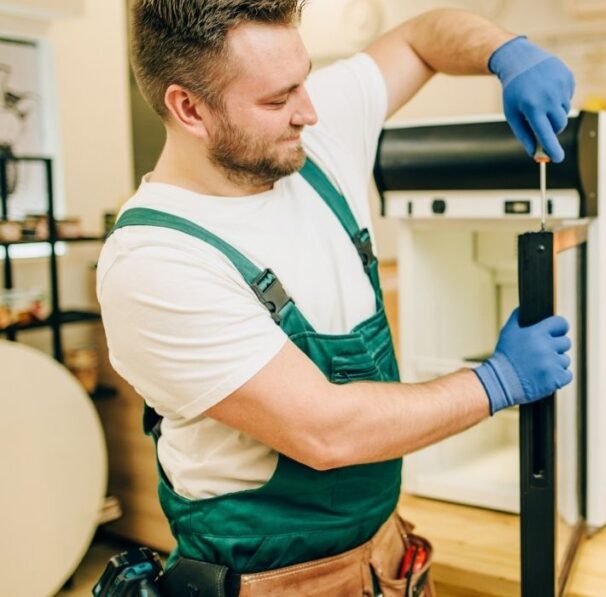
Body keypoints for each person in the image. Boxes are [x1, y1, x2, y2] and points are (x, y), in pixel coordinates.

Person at [97, 1, 576, 595]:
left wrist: (504, 53)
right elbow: (327, 433)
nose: (309, 111)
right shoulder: (156, 261)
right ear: (188, 107)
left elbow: (422, 38)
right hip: (274, 582)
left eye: (304, 79)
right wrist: (497, 381)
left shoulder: (309, 139)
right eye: (277, 100)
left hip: (386, 555)